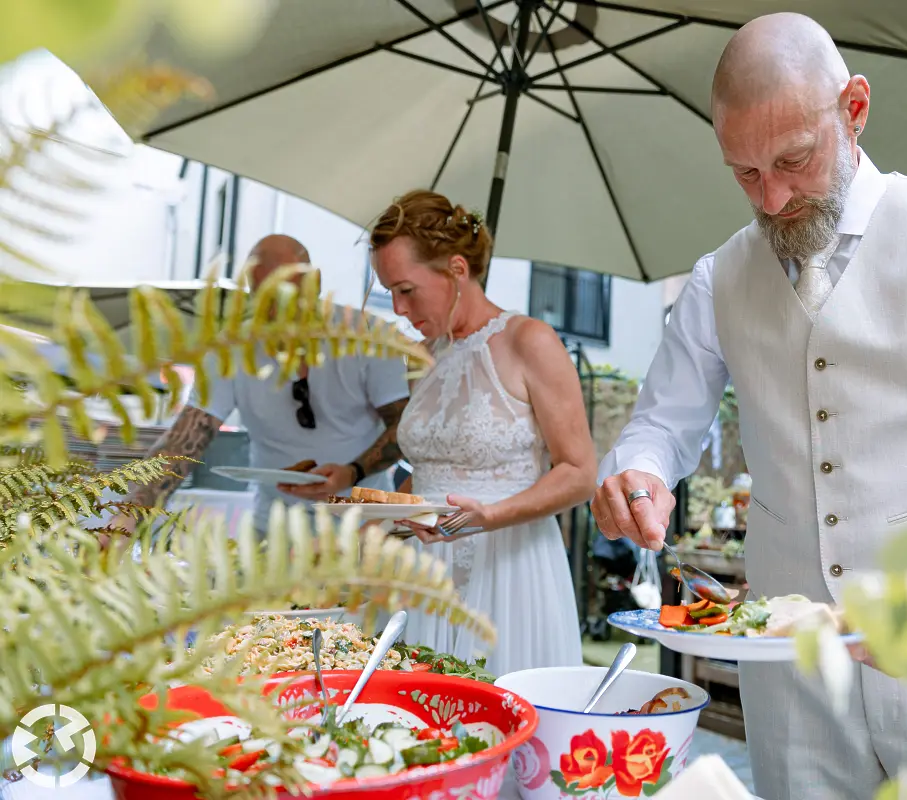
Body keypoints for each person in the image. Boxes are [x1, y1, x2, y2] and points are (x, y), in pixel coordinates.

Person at [591, 14, 907, 800]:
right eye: (743, 173)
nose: (771, 197)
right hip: (791, 684)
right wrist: (636, 472)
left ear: (855, 109)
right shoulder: (717, 278)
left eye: (793, 161)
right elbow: (661, 425)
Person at [369, 189, 592, 676]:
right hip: (423, 575)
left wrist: (490, 515)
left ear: (455, 269)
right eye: (389, 291)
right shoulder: (422, 357)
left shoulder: (529, 340)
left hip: (510, 570)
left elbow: (579, 472)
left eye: (406, 289)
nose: (398, 308)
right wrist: (376, 520)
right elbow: (433, 472)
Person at [115, 234, 411, 537]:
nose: (276, 315)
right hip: (271, 527)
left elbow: (404, 427)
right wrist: (129, 515)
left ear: (316, 283)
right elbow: (183, 441)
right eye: (264, 301)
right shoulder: (231, 348)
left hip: (362, 527)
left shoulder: (369, 336)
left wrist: (353, 471)